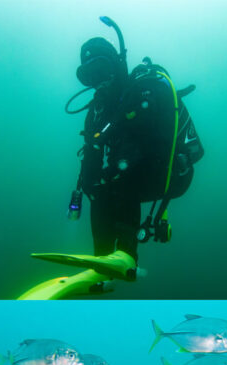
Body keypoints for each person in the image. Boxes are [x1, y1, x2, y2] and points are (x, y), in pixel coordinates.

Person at [67, 17, 202, 267]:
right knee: (101, 188)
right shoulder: (98, 111)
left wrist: (118, 168)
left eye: (102, 71)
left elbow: (152, 145)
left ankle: (127, 256)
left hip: (170, 171)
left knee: (119, 178)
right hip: (128, 176)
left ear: (117, 66)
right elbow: (92, 154)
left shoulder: (144, 90)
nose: (99, 81)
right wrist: (90, 181)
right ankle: (101, 261)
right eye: (90, 76)